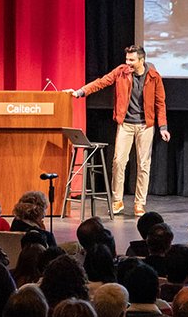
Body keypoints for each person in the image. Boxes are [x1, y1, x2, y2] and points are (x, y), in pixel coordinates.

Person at [66, 45, 169, 217]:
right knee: (118, 162)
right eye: (127, 59)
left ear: (141, 60)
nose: (127, 63)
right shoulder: (121, 72)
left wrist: (163, 127)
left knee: (144, 165)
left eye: (131, 60)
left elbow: (160, 103)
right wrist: (80, 92)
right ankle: (117, 201)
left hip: (146, 126)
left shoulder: (153, 76)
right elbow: (101, 82)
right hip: (125, 124)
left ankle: (139, 203)